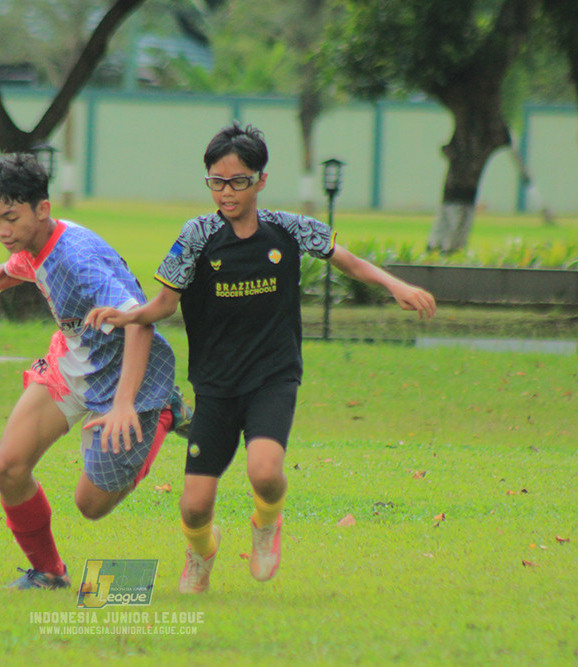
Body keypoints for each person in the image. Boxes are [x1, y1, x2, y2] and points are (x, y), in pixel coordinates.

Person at [86, 122, 436, 594]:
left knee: (265, 471)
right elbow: (164, 305)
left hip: (273, 375)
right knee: (193, 507)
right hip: (215, 384)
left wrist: (397, 285)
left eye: (237, 181)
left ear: (260, 181)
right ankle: (201, 553)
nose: (226, 192)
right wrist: (128, 317)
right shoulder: (197, 236)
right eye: (216, 181)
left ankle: (266, 523)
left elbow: (346, 259)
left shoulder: (287, 229)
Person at [0, 153, 187, 590]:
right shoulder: (35, 241)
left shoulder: (76, 260)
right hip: (73, 364)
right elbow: (6, 275)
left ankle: (166, 411)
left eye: (11, 218)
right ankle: (48, 573)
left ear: (42, 209)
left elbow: (141, 321)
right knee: (8, 467)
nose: (3, 231)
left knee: (91, 506)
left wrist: (122, 406)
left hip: (129, 381)